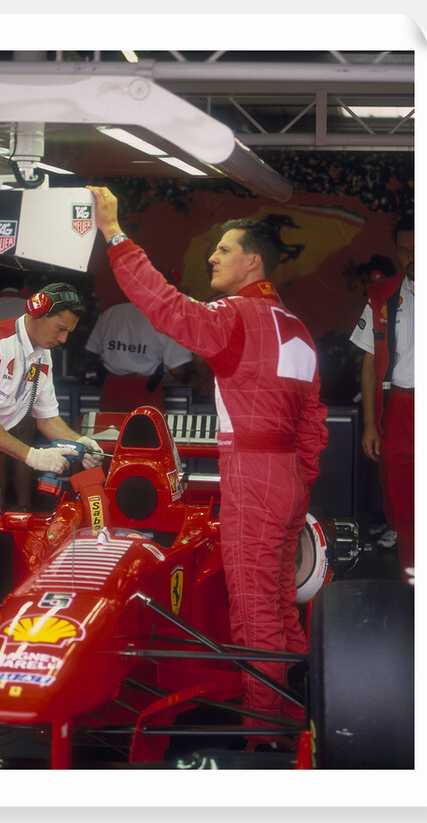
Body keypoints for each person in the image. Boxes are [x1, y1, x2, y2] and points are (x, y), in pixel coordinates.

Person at [87, 185, 328, 746]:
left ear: (254, 261)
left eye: (224, 249)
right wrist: (297, 480)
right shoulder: (296, 327)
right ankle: (300, 713)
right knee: (280, 603)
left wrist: (116, 237)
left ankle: (263, 734)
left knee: (254, 606)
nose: (212, 257)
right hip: (289, 476)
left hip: (254, 470)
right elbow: (314, 422)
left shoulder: (235, 317)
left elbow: (168, 310)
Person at [0, 282, 102, 515]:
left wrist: (82, 442)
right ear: (38, 315)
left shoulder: (42, 355)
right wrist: (32, 455)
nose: (64, 339)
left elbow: (47, 419)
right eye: (60, 329)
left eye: (68, 332)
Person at [350, 216, 414, 582]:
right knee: (403, 510)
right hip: (400, 409)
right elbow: (370, 364)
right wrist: (371, 424)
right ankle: (417, 586)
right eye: (405, 250)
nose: (412, 257)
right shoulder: (383, 296)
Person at [85, 300, 194, 412]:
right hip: (146, 391)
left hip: (111, 389)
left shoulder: (110, 312)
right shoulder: (164, 317)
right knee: (146, 429)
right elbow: (177, 369)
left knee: (109, 428)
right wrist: (190, 380)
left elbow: (93, 351)